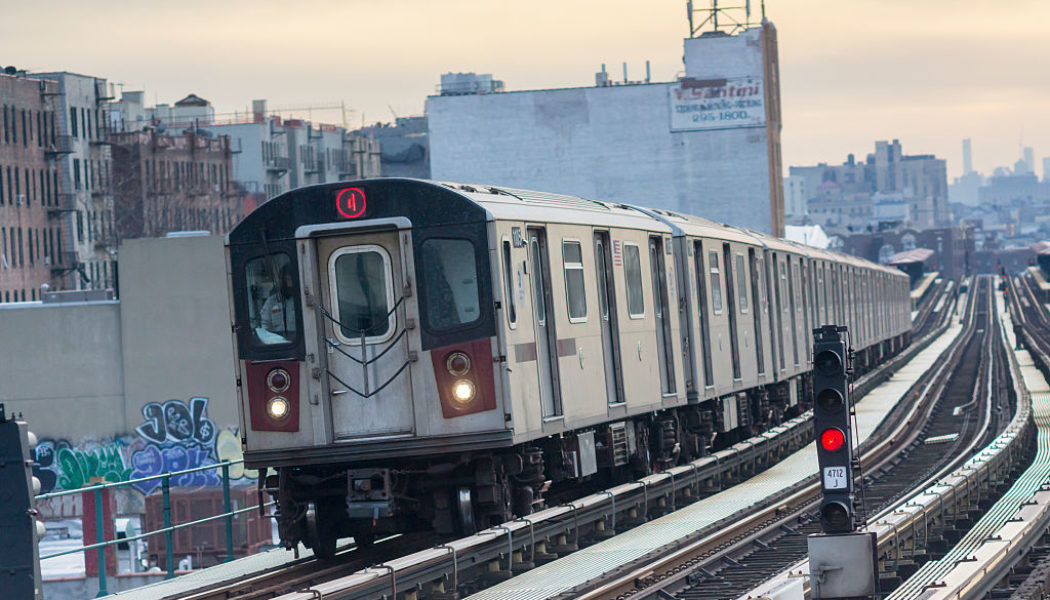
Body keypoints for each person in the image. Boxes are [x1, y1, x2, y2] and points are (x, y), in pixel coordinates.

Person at [259, 266, 297, 342]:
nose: (287, 284)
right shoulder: (271, 302)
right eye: (285, 280)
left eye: (289, 280)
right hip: (278, 343)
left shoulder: (300, 301)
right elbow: (265, 327)